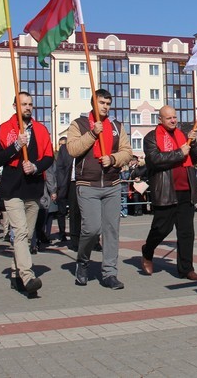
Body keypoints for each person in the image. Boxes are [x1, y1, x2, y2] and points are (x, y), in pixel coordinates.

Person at [68, 89, 133, 290]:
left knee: (112, 230)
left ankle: (110, 273)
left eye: (108, 103)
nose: (105, 106)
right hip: (87, 185)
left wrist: (113, 159)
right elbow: (73, 149)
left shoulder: (116, 126)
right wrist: (92, 133)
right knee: (92, 228)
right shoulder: (78, 124)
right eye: (101, 102)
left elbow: (127, 152)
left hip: (112, 185)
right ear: (93, 103)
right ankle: (83, 261)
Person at [0, 91, 54, 296]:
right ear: (15, 107)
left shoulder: (41, 129)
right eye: (23, 104)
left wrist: (35, 167)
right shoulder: (4, 129)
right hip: (12, 189)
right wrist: (16, 146)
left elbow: (49, 157)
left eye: (30, 104)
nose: (27, 107)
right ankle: (27, 276)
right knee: (19, 232)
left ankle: (15, 273)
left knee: (27, 236)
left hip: (33, 188)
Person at [140, 105, 197, 281]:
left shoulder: (183, 135)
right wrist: (178, 153)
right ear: (160, 119)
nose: (173, 120)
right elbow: (155, 160)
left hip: (186, 190)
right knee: (161, 228)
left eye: (174, 117)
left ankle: (186, 268)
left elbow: (195, 158)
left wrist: (193, 142)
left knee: (186, 232)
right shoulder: (151, 138)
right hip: (166, 191)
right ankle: (148, 250)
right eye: (169, 118)